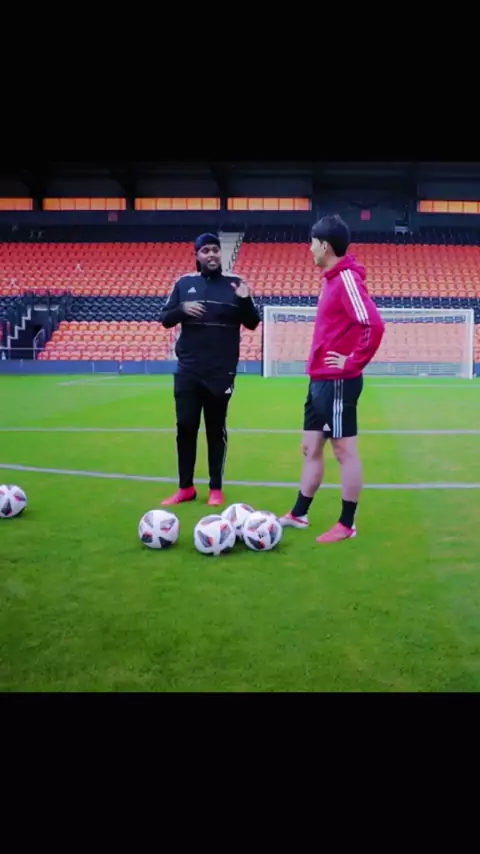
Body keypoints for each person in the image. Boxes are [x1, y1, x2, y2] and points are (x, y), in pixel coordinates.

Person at [279, 215, 385, 543]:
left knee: (343, 450)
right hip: (320, 379)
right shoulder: (331, 280)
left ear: (324, 246)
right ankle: (299, 514)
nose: (309, 248)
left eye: (312, 242)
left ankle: (347, 524)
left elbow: (374, 324)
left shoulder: (347, 279)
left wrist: (352, 362)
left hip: (338, 380)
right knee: (310, 446)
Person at [159, 232, 260, 507]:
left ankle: (216, 488)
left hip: (220, 372)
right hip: (188, 371)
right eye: (205, 251)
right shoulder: (184, 284)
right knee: (185, 427)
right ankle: (185, 488)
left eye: (215, 249)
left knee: (216, 430)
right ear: (197, 255)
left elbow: (253, 323)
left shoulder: (235, 284)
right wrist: (182, 309)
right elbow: (165, 318)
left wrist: (245, 299)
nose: (211, 254)